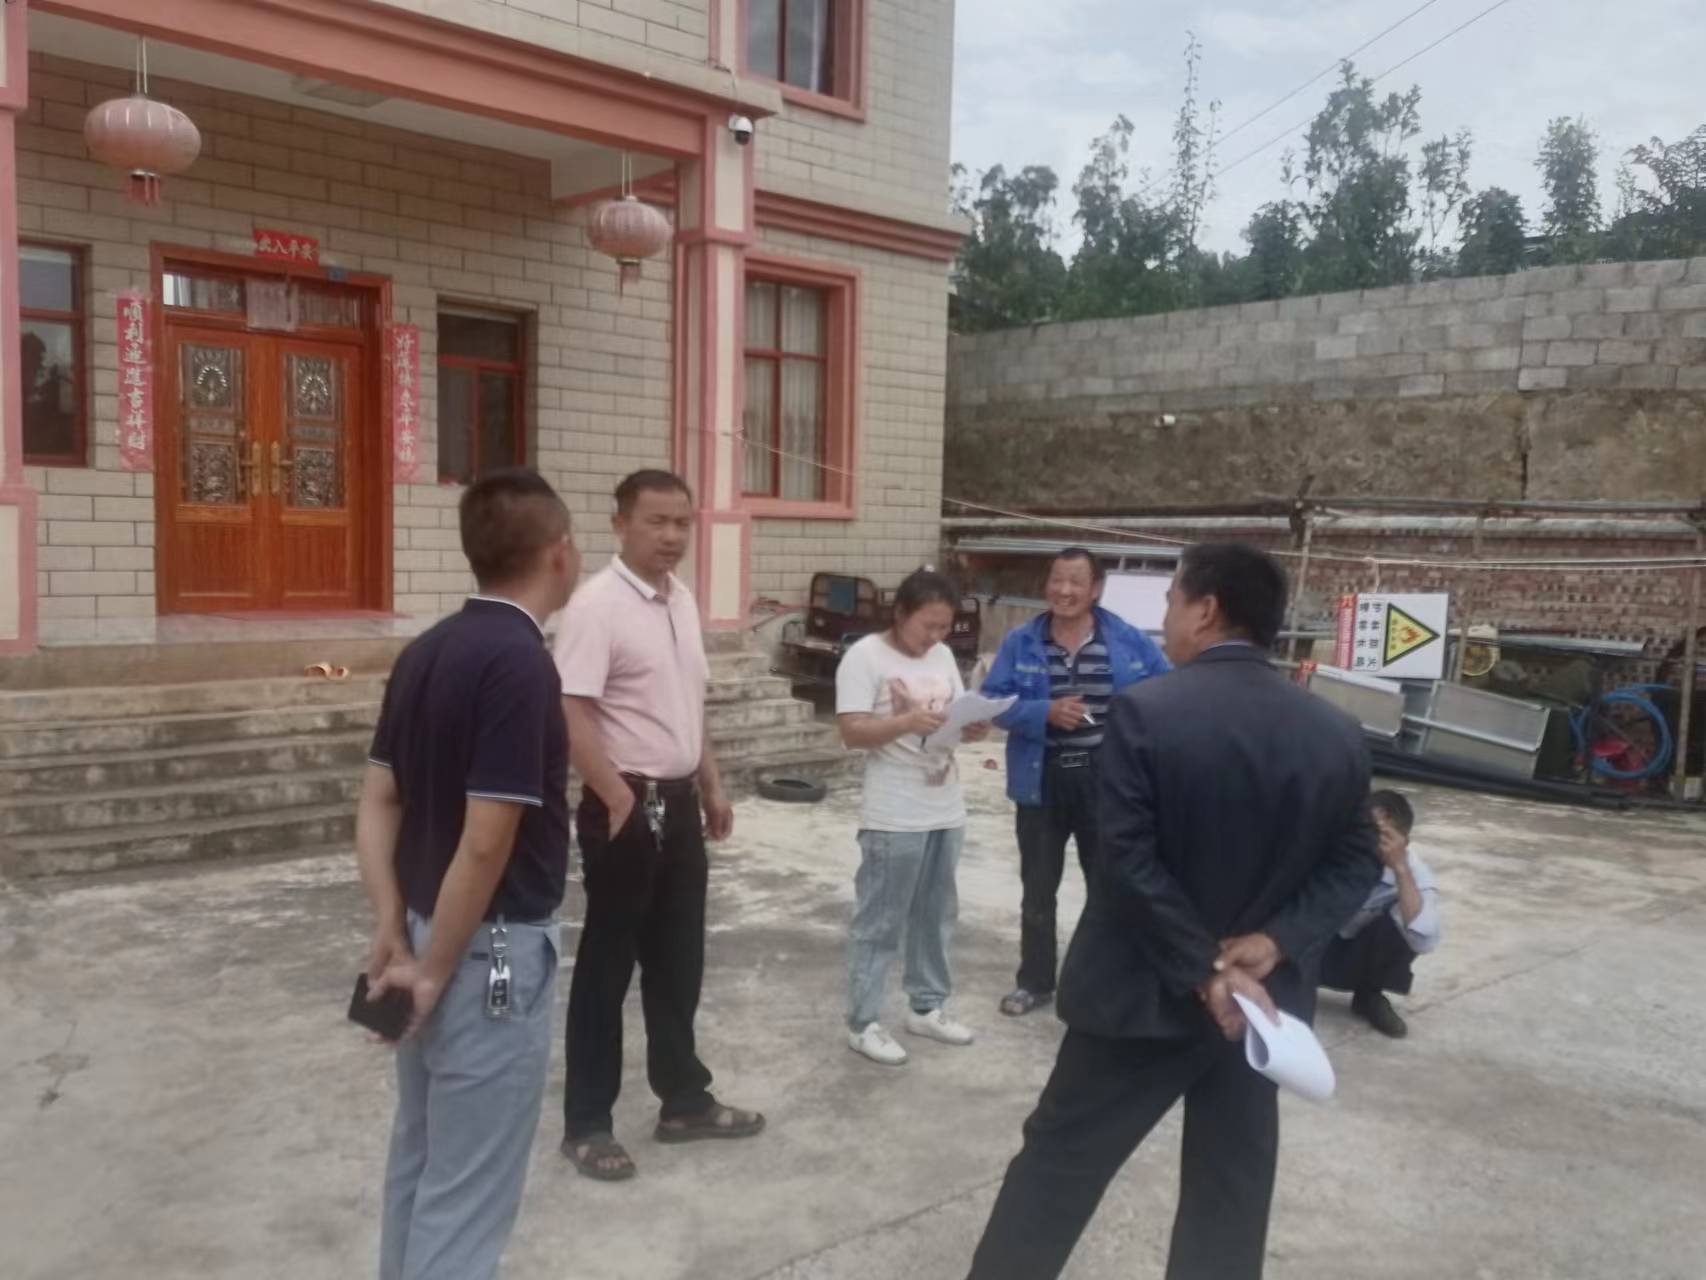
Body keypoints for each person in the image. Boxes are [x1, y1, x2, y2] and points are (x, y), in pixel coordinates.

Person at [966, 542, 1383, 1280]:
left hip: (1140, 998)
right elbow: (1356, 862)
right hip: (1258, 1017)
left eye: (1170, 602)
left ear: (1206, 609)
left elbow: (1124, 861)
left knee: (1057, 1173)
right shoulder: (1335, 731)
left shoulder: (1146, 711)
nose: (1165, 621)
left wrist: (1204, 968)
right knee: (1230, 1194)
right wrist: (1274, 942)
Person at [355, 468, 581, 1280]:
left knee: (420, 1159)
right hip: (486, 952)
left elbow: (378, 800)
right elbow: (488, 842)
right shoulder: (519, 663)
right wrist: (434, 970)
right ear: (560, 552)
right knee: (468, 1192)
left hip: (426, 929)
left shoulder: (426, 651)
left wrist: (393, 926)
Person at [552, 469, 764, 1181]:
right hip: (624, 805)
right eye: (656, 521)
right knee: (608, 965)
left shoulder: (681, 599)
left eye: (682, 522)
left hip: (678, 805)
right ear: (620, 524)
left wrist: (711, 784)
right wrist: (615, 796)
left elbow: (686, 704)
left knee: (678, 961)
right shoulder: (597, 606)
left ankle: (684, 1101)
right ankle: (587, 1122)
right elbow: (570, 710)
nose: (672, 536)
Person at [980, 546, 1170, 1017]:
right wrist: (1042, 712)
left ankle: (1102, 983)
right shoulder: (1022, 641)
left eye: (1075, 582)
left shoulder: (1126, 640)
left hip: (1106, 782)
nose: (1063, 590)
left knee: (1108, 888)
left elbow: (1167, 691)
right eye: (1056, 580)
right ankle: (1035, 982)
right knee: (1038, 887)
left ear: (1096, 589)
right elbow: (992, 703)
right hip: (1040, 778)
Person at [837, 568, 990, 1066]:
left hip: (945, 805)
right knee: (881, 920)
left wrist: (971, 727)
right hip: (894, 812)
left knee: (936, 913)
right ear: (900, 614)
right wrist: (905, 721)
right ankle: (863, 1021)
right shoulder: (864, 657)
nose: (936, 637)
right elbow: (851, 732)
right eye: (928, 626)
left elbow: (953, 713)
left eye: (945, 627)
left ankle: (927, 1006)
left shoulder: (942, 656)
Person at [1320, 789, 1441, 1039]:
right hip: (1308, 943)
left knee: (1409, 918)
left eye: (1383, 836)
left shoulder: (1416, 874)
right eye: (1364, 830)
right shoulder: (1332, 844)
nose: (1369, 841)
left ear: (1403, 843)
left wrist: (1400, 869)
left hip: (1353, 953)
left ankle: (1368, 995)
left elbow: (1423, 940)